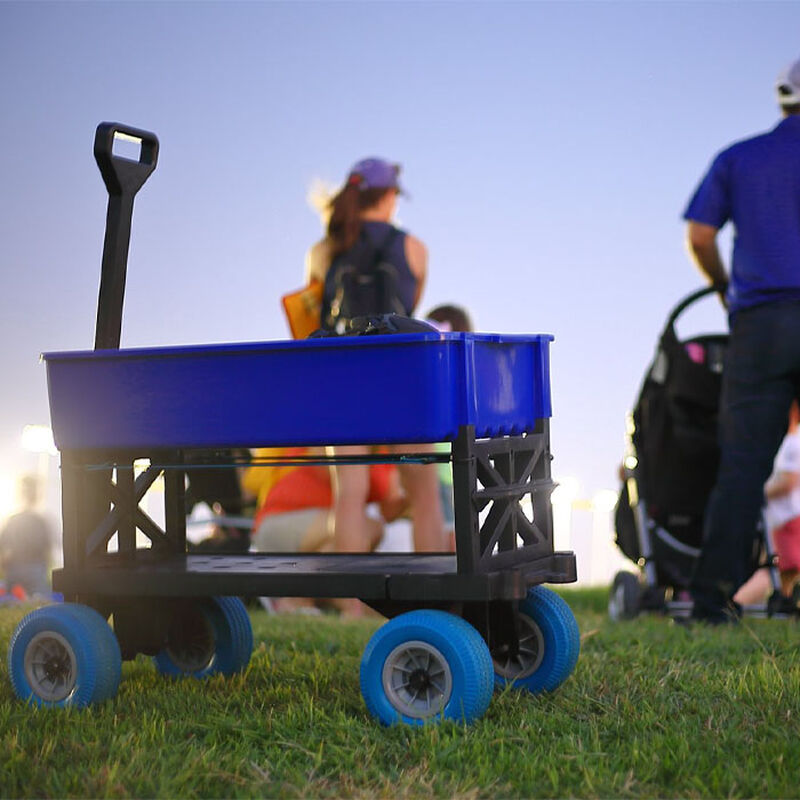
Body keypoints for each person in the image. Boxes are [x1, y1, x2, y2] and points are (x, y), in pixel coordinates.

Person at [683, 57, 800, 623]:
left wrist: (724, 286)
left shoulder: (738, 157)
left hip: (761, 325)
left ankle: (711, 601)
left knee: (743, 467)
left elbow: (701, 234)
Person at [304, 158, 446, 609]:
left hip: (341, 378)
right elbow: (408, 310)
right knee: (424, 496)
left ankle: (351, 610)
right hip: (401, 379)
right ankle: (430, 601)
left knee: (350, 495)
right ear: (389, 198)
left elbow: (312, 312)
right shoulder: (416, 249)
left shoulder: (323, 252)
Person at [763, 402, 800, 600]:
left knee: (790, 566)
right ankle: (786, 600)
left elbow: (788, 481)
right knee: (785, 568)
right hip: (781, 519)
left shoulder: (791, 443)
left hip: (789, 518)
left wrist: (759, 492)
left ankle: (786, 600)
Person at [0, 475, 54, 597]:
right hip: (33, 570)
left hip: (17, 569)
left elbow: (4, 551)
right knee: (40, 599)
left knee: (11, 599)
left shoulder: (12, 520)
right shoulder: (40, 521)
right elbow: (47, 551)